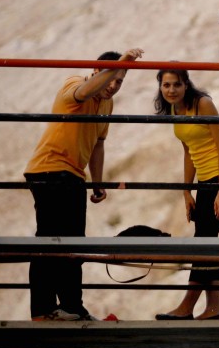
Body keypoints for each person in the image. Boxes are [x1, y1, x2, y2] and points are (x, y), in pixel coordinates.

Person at [24, 48, 144, 321]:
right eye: (111, 77)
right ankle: (43, 308)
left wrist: (98, 182)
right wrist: (119, 65)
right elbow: (82, 93)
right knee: (50, 238)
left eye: (120, 80)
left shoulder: (107, 104)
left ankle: (70, 306)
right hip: (50, 168)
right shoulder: (75, 84)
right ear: (96, 72)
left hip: (74, 174)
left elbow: (99, 143)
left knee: (74, 242)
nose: (114, 85)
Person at [154, 68, 219, 321]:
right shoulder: (173, 110)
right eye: (166, 85)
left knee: (203, 242)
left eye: (176, 85)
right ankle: (213, 310)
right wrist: (186, 192)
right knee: (208, 242)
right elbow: (188, 151)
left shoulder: (203, 104)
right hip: (204, 183)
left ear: (186, 84)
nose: (171, 90)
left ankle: (187, 307)